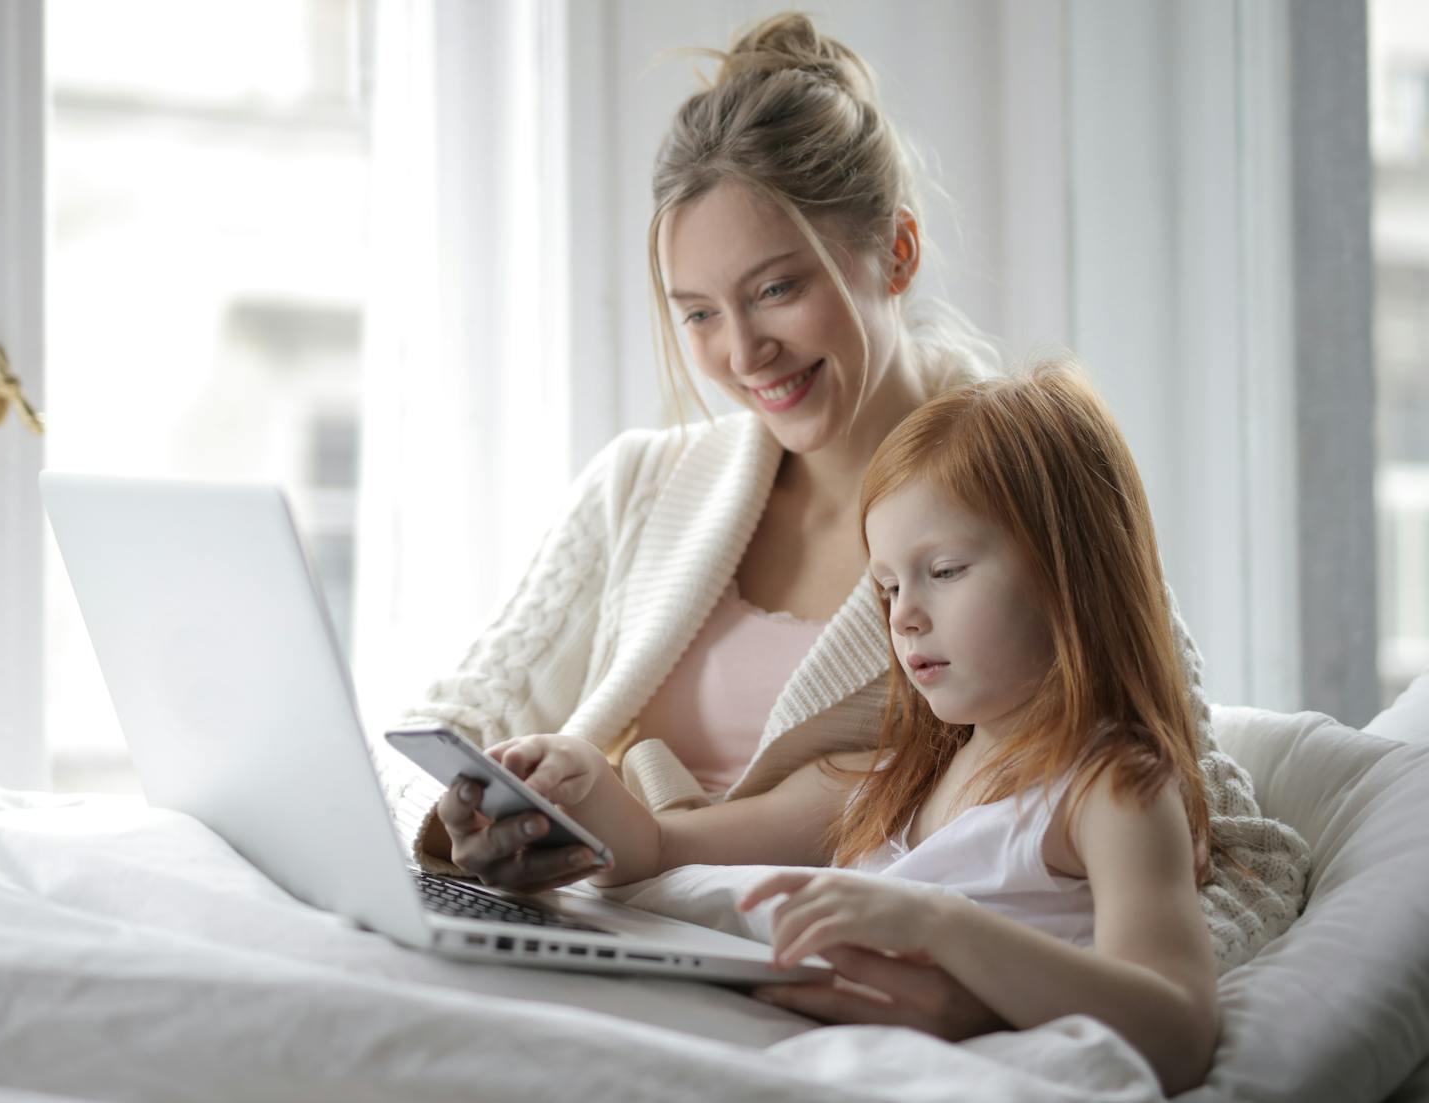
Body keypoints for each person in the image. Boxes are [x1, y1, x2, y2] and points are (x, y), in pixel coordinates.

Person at [385, 12, 1306, 1035]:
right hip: (612, 936)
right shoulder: (642, 486)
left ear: (896, 250)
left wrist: (990, 993)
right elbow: (445, 729)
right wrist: (463, 830)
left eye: (776, 288)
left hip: (817, 990)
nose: (742, 352)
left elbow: (1236, 854)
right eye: (697, 312)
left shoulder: (1026, 497)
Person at [483, 364, 1219, 1093]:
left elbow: (1178, 1027)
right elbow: (662, 847)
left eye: (947, 569)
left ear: (1071, 572)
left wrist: (938, 926)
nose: (904, 615)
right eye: (889, 586)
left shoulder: (1110, 787)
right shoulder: (897, 775)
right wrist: (576, 779)